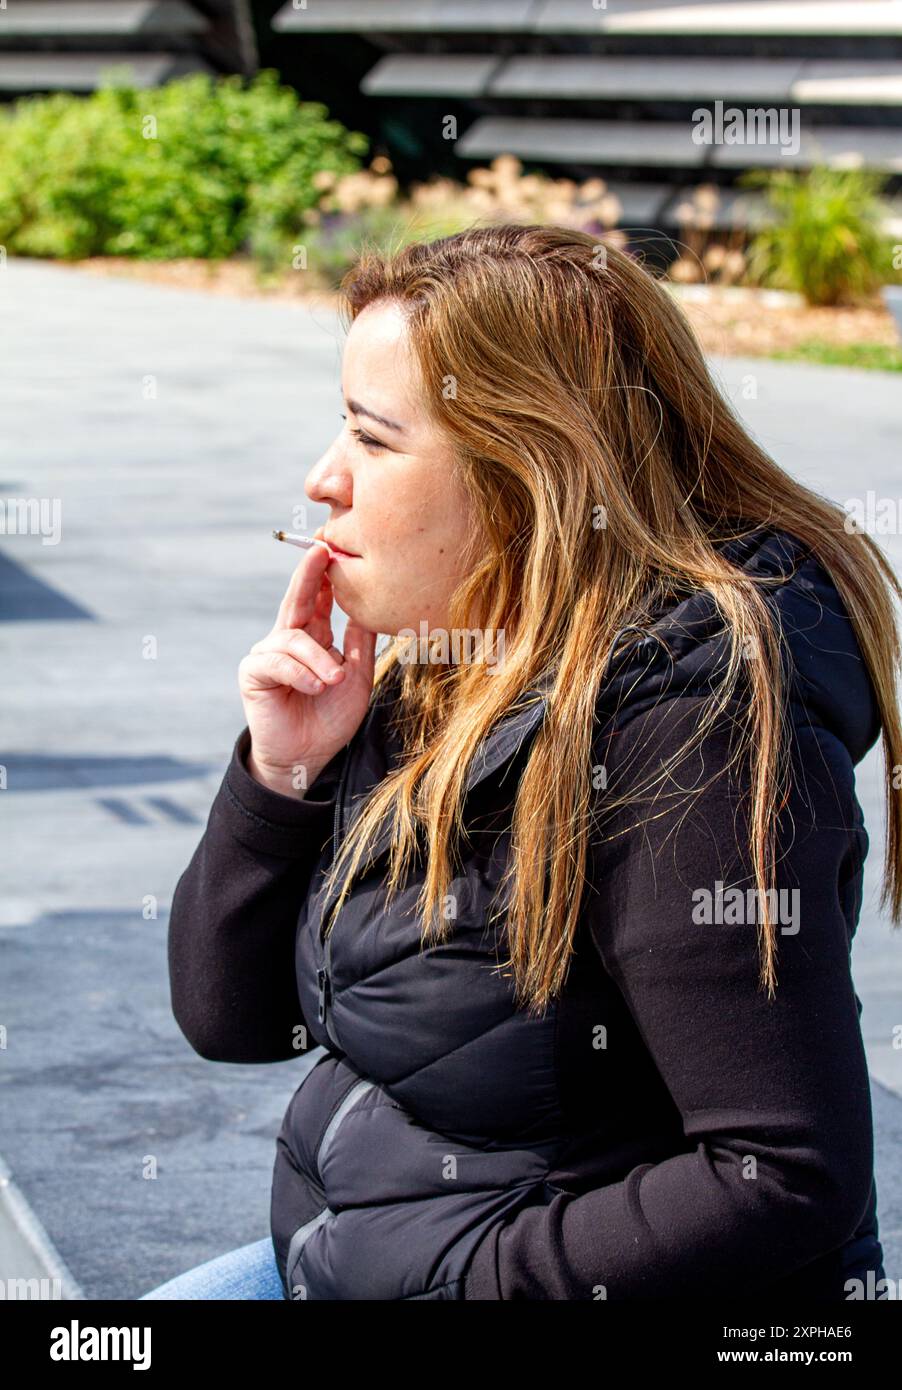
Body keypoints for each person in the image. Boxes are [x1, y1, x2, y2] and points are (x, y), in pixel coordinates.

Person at [141, 225, 900, 1301]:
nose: (322, 479)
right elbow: (234, 1018)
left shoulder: (690, 737)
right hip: (357, 1256)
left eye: (371, 436)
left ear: (523, 470)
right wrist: (280, 775)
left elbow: (779, 1178)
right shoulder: (449, 665)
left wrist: (450, 1285)